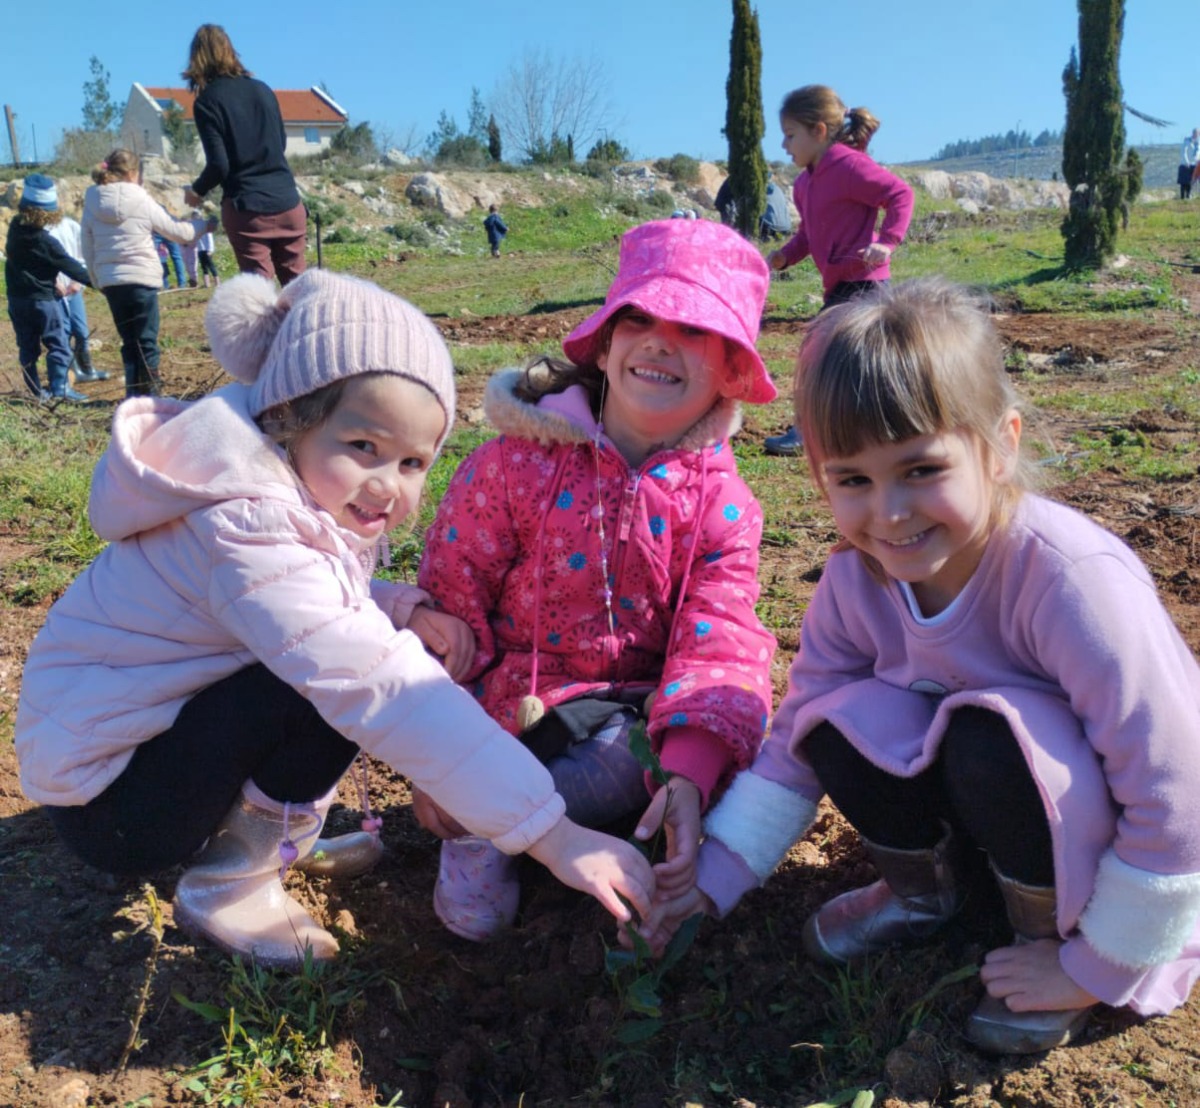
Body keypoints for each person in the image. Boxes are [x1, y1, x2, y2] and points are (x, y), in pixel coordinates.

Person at [15, 268, 655, 969]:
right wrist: (556, 836)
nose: (388, 483)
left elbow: (300, 586)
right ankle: (232, 880)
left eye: (413, 461)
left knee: (319, 663)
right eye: (363, 448)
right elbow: (372, 679)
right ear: (292, 418)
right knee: (325, 685)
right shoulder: (248, 526)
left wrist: (397, 604)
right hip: (116, 812)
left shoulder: (261, 491)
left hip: (124, 753)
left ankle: (266, 834)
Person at [644, 278, 1200, 1055]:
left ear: (1001, 443)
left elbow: (1176, 790)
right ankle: (929, 894)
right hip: (994, 818)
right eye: (854, 481)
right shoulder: (852, 582)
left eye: (920, 470)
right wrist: (712, 880)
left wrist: (1096, 966)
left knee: (985, 733)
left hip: (1098, 851)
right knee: (830, 718)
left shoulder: (1071, 580)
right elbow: (794, 742)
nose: (890, 513)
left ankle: (1045, 929)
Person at [414, 218, 778, 942]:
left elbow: (722, 641)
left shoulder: (722, 504)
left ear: (729, 370)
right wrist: (436, 734)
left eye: (694, 330)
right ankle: (482, 813)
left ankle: (501, 818)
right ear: (605, 344)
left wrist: (689, 768)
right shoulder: (513, 464)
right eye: (639, 317)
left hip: (639, 720)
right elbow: (453, 596)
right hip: (515, 707)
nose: (660, 341)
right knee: (497, 777)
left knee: (640, 755)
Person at [763, 84, 914, 459]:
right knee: (845, 359)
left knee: (832, 356)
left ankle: (813, 432)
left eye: (789, 135)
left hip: (865, 282)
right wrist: (784, 256)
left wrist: (888, 241)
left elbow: (900, 194)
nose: (784, 146)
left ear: (818, 131)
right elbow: (808, 234)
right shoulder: (803, 184)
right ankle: (874, 430)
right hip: (840, 285)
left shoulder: (849, 166)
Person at [82, 149, 214, 399]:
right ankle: (152, 395)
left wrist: (97, 278)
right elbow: (179, 232)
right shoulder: (141, 198)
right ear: (133, 173)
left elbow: (87, 245)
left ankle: (133, 394)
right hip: (141, 279)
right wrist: (204, 225)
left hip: (112, 282)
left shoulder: (92, 199)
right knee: (147, 340)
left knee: (128, 341)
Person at [182, 24, 307, 285]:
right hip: (287, 200)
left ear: (197, 59)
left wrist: (197, 191)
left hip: (247, 207)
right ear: (230, 51)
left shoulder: (207, 102)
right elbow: (280, 143)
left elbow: (219, 164)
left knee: (258, 294)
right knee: (299, 289)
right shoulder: (263, 89)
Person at [4, 174, 91, 402]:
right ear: (49, 213)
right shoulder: (46, 242)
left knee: (27, 346)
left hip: (17, 300)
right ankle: (60, 389)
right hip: (43, 301)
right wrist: (98, 281)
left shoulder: (14, 229)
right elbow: (71, 266)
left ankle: (36, 392)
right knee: (58, 344)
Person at [47, 207, 109, 385]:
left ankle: (88, 369)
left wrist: (78, 282)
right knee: (63, 333)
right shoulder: (41, 231)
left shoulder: (71, 226)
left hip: (74, 289)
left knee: (81, 331)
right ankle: (70, 373)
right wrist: (53, 282)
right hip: (55, 293)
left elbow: (85, 256)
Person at [1177, 129, 1198, 201]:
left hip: (1194, 164)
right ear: (1193, 133)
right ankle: (1182, 197)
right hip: (1185, 164)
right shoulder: (1187, 141)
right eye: (1196, 133)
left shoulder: (1197, 143)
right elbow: (1184, 152)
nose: (1197, 135)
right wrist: (1186, 161)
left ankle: (1188, 195)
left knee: (1190, 181)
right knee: (1184, 181)